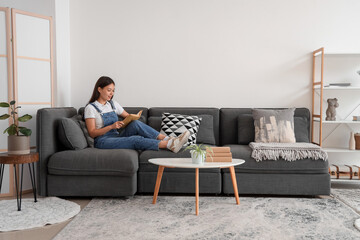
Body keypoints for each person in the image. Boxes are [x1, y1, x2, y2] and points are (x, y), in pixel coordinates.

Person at [84, 76, 190, 153]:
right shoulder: (91, 108)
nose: (112, 94)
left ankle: (168, 139)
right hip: (103, 141)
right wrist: (111, 126)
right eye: (109, 90)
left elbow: (127, 117)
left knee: (135, 123)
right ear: (99, 89)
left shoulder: (113, 104)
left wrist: (132, 117)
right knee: (135, 139)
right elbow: (92, 133)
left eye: (113, 91)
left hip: (116, 136)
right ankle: (170, 145)